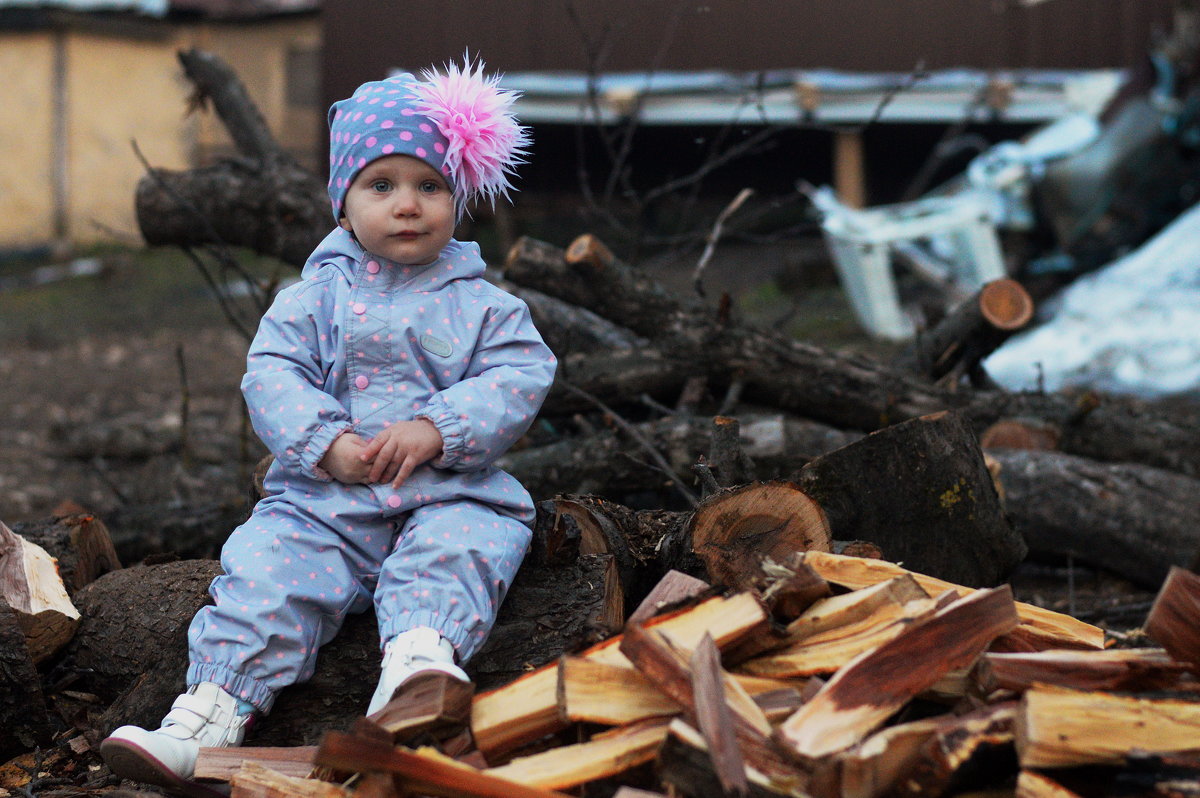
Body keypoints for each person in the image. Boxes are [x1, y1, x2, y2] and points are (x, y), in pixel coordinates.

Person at [100, 57, 556, 792]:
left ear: (458, 198)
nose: (407, 204)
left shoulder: (486, 305)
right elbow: (271, 376)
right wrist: (325, 444)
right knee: (267, 573)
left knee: (467, 542)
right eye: (382, 185)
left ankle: (416, 666)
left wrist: (439, 428)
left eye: (429, 185)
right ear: (343, 205)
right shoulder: (312, 299)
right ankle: (206, 715)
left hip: (448, 489)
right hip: (324, 499)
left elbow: (519, 376)